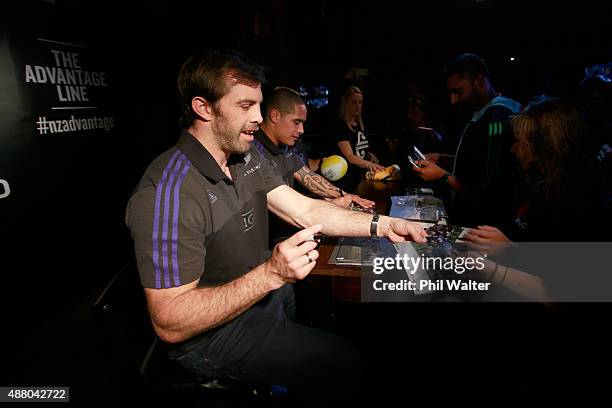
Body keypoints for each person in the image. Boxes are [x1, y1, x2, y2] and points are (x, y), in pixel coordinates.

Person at [125, 49, 427, 392]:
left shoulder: (244, 156)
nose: (257, 117)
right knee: (346, 359)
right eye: (244, 106)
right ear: (203, 108)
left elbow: (307, 210)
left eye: (258, 104)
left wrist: (385, 225)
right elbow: (170, 322)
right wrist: (271, 274)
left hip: (262, 301)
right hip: (215, 337)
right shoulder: (168, 191)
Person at [464, 98, 609, 301]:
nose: (512, 150)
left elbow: (567, 290)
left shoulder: (578, 201)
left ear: (545, 148)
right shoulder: (544, 183)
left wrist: (498, 263)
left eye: (519, 142)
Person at [413, 54, 521, 228]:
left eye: (458, 91)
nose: (453, 100)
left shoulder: (498, 118)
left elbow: (490, 189)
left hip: (484, 228)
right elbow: (479, 162)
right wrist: (443, 159)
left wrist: (443, 176)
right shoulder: (482, 114)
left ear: (479, 81)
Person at [254, 86, 374, 208]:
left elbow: (308, 176)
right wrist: (328, 204)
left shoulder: (286, 146)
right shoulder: (254, 151)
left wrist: (346, 196)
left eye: (302, 123)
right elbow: (287, 205)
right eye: (296, 122)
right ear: (275, 116)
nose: (301, 130)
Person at [329, 84, 385, 192]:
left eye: (360, 102)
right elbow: (349, 156)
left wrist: (369, 155)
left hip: (361, 177)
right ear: (345, 103)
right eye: (354, 102)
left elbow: (359, 147)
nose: (358, 106)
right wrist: (369, 164)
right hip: (346, 179)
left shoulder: (360, 124)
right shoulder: (340, 125)